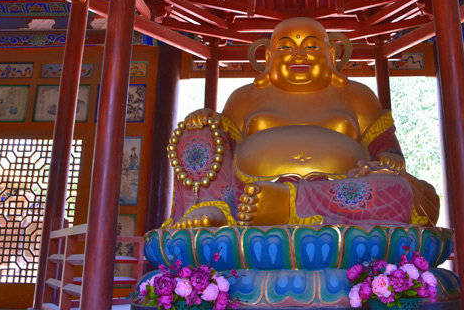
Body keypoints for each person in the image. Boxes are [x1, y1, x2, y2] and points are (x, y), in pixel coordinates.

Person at [170, 17, 439, 228]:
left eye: (311, 46)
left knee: (399, 189)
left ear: (332, 55)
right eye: (286, 47)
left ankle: (286, 205)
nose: (298, 54)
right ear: (267, 57)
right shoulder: (244, 98)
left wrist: (388, 159)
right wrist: (207, 121)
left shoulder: (358, 96)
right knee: (199, 134)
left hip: (341, 192)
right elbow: (224, 152)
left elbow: (387, 149)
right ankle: (222, 209)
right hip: (247, 195)